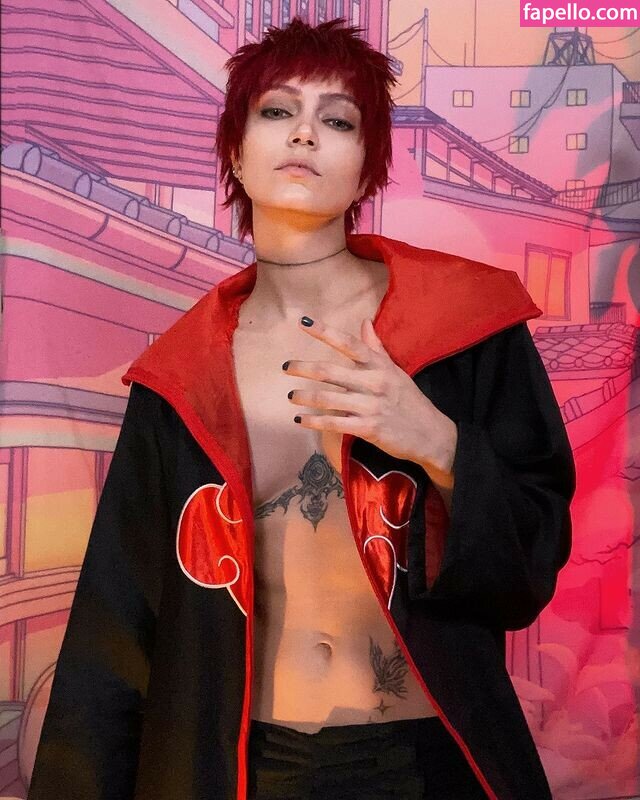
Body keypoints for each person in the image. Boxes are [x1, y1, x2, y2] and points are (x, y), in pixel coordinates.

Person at [28, 16, 576, 800]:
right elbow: (118, 623)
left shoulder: (465, 328)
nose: (305, 133)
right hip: (247, 768)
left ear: (368, 169)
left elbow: (534, 559)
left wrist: (441, 444)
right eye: (278, 111)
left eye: (339, 120)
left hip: (429, 760)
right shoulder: (180, 376)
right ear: (235, 152)